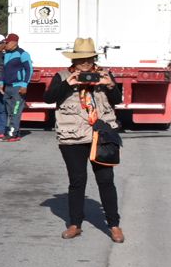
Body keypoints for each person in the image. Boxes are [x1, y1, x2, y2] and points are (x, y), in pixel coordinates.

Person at [48, 37, 123, 242]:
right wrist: (66, 85)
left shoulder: (104, 75)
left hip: (102, 135)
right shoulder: (63, 76)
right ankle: (75, 224)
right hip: (72, 136)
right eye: (81, 61)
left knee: (106, 181)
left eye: (89, 60)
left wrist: (109, 85)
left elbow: (118, 100)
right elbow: (49, 97)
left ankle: (114, 225)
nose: (86, 65)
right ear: (74, 61)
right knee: (77, 180)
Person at [0, 33, 33, 141]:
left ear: (14, 42)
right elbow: (4, 70)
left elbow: (29, 70)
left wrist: (24, 85)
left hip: (18, 88)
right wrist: (1, 83)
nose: (6, 44)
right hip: (7, 88)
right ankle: (14, 131)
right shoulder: (7, 54)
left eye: (7, 42)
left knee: (15, 111)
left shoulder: (23, 54)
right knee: (9, 111)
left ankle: (13, 134)